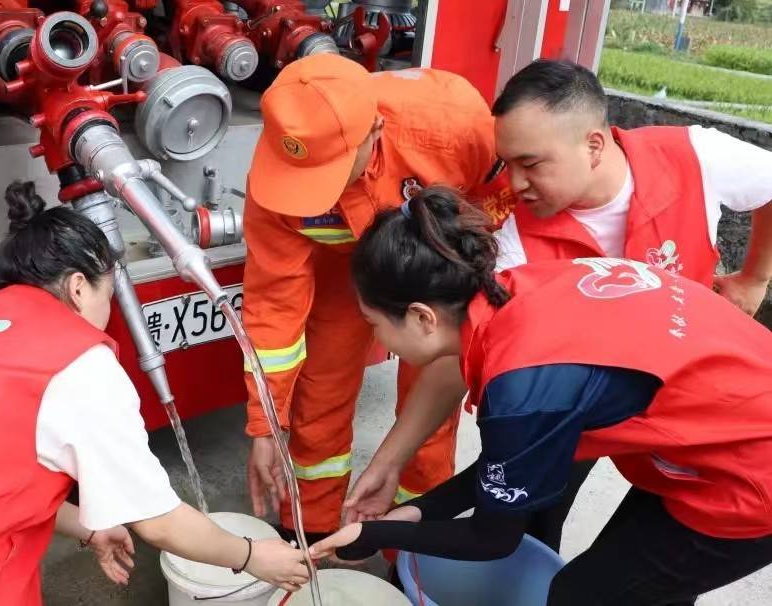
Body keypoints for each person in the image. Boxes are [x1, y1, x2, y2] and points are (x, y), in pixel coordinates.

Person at [345, 58, 772, 551]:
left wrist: (754, 277)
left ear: (593, 145)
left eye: (531, 163)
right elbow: (457, 348)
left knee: (651, 567)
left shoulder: (694, 157)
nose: (514, 184)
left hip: (711, 417)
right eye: (506, 164)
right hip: (592, 403)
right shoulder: (512, 246)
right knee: (532, 515)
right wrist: (391, 460)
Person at [311, 187, 772, 606]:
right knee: (642, 584)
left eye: (375, 325)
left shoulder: (522, 387)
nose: (381, 343)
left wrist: (375, 533)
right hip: (720, 435)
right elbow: (517, 464)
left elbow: (493, 539)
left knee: (580, 594)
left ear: (421, 317)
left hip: (751, 477)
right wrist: (419, 511)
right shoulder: (526, 288)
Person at [0, 182, 309, 606]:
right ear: (77, 288)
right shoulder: (76, 363)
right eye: (107, 296)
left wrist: (88, 527)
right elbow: (159, 522)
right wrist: (253, 556)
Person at [242, 53, 513, 541]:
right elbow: (273, 313)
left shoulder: (455, 122)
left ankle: (412, 541)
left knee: (430, 392)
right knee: (320, 390)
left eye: (329, 173)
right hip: (341, 269)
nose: (313, 193)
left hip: (435, 263)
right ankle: (317, 537)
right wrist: (265, 424)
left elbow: (498, 212)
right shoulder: (279, 171)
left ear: (375, 133)